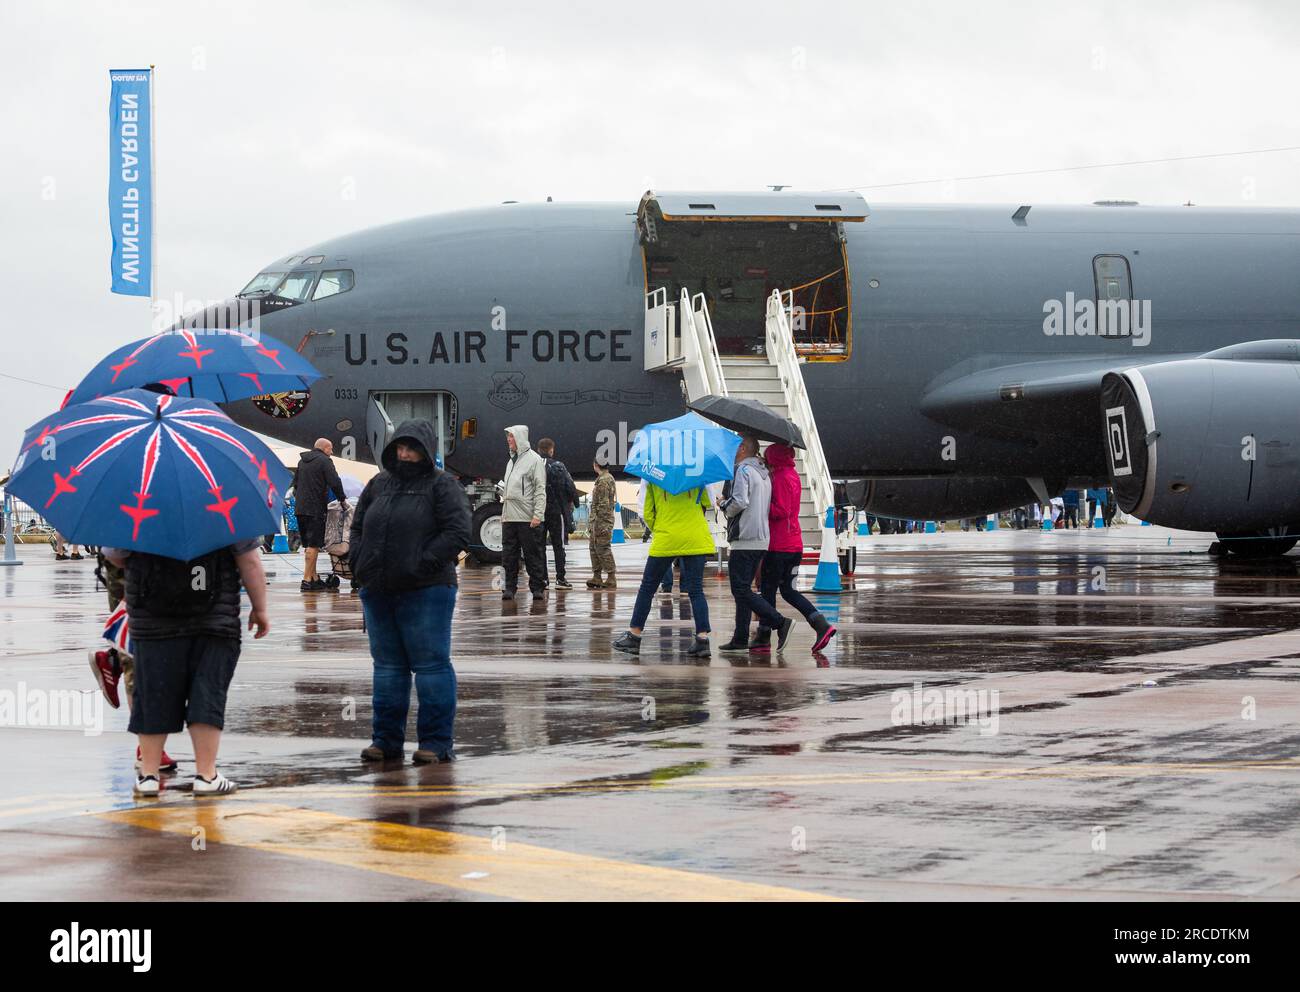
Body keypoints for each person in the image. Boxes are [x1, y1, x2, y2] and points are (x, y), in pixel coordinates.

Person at [105, 536, 270, 797]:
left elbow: (115, 554)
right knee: (207, 691)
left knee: (152, 693)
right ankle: (206, 775)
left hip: (153, 618)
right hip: (214, 618)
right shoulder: (228, 504)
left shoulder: (138, 504)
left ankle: (148, 776)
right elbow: (249, 561)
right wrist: (260, 609)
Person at [348, 420, 471, 764]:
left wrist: (421, 563)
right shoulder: (378, 483)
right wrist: (360, 562)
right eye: (400, 447)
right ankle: (385, 741)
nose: (405, 454)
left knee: (431, 666)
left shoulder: (442, 486)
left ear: (426, 450)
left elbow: (458, 532)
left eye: (412, 448)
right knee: (387, 668)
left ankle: (435, 743)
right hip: (379, 589)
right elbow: (358, 526)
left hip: (427, 590)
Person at [613, 480, 715, 657]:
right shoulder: (698, 469)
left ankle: (634, 636)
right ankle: (702, 639)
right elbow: (709, 502)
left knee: (647, 588)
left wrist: (658, 528)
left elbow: (645, 511)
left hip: (666, 537)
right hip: (695, 536)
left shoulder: (652, 472)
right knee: (696, 590)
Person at [752, 443, 837, 653]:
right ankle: (820, 623)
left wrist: (760, 504)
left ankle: (763, 636)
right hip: (794, 544)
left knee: (768, 591)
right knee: (788, 590)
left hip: (778, 546)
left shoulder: (780, 478)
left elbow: (781, 510)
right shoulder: (793, 474)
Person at [717, 437, 791, 652]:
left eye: (734, 446)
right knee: (744, 590)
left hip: (745, 536)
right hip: (761, 537)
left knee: (740, 589)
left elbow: (739, 502)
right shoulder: (763, 471)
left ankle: (780, 622)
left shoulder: (742, 470)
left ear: (742, 448)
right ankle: (740, 638)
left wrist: (723, 505)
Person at [292, 438, 349, 592]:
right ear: (324, 448)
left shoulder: (302, 462)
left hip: (300, 508)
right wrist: (342, 499)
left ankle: (314, 577)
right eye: (331, 449)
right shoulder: (325, 461)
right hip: (315, 508)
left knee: (309, 545)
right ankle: (306, 580)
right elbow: (335, 481)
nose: (332, 452)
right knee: (314, 544)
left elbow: (296, 484)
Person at [499, 425, 548, 600]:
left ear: (519, 438)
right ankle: (509, 588)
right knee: (508, 555)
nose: (508, 440)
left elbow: (540, 489)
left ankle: (537, 588)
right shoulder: (510, 461)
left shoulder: (534, 460)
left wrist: (538, 515)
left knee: (532, 554)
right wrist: (504, 514)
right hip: (510, 516)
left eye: (511, 437)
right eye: (508, 437)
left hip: (528, 517)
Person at [537, 437, 578, 589]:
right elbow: (570, 486)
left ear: (538, 450)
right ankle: (560, 579)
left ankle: (543, 579)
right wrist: (575, 501)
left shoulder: (534, 465)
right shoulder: (558, 466)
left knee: (539, 546)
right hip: (556, 510)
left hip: (539, 511)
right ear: (551, 450)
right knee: (558, 546)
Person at [587, 457, 617, 588]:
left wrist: (599, 522)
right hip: (598, 520)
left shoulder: (604, 481)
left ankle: (611, 577)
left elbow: (603, 504)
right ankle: (597, 576)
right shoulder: (605, 478)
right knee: (594, 548)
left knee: (603, 548)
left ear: (596, 465)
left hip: (601, 520)